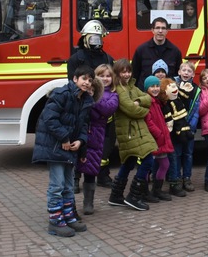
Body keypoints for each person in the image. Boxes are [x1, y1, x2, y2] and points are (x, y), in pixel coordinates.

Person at [32, 65, 94, 237]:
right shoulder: (62, 94)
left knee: (67, 185)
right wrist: (65, 139)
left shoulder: (85, 100)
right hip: (55, 147)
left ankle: (68, 217)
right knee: (56, 185)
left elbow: (83, 125)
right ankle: (55, 221)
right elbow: (49, 118)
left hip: (69, 149)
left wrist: (80, 143)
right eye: (84, 79)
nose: (87, 83)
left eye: (90, 80)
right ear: (75, 79)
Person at [67, 20, 116, 190]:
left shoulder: (108, 58)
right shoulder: (75, 59)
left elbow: (112, 82)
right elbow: (72, 83)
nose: (96, 41)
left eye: (99, 38)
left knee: (103, 144)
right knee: (80, 142)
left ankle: (103, 175)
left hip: (102, 108)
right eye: (93, 38)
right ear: (85, 38)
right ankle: (75, 178)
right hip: (82, 107)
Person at [109, 58, 158, 211]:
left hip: (135, 130)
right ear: (117, 73)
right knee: (148, 159)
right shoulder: (119, 89)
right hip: (130, 131)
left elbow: (148, 97)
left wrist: (138, 101)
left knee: (129, 162)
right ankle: (134, 196)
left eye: (128, 71)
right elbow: (131, 109)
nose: (127, 74)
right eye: (123, 72)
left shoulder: (131, 87)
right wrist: (143, 109)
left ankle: (116, 196)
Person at [76, 64, 119, 215]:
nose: (105, 78)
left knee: (90, 169)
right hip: (79, 133)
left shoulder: (113, 95)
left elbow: (107, 109)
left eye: (108, 76)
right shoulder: (83, 90)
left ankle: (88, 202)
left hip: (96, 135)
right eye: (101, 75)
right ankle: (71, 197)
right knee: (73, 167)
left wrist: (94, 96)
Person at [169, 61, 201, 193]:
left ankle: (186, 178)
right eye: (184, 70)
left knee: (188, 154)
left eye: (189, 71)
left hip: (189, 127)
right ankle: (175, 179)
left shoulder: (196, 89)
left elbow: (196, 110)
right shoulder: (173, 86)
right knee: (176, 154)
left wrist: (191, 126)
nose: (186, 73)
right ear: (179, 72)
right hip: (177, 127)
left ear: (193, 74)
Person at [143, 76, 175, 202]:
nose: (155, 89)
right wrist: (159, 134)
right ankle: (145, 191)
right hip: (153, 139)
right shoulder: (148, 101)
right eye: (152, 86)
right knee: (148, 165)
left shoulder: (156, 101)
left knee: (164, 163)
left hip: (159, 139)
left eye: (157, 86)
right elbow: (148, 121)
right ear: (147, 88)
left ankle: (157, 190)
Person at [132, 17, 183, 85]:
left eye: (163, 28)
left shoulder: (175, 51)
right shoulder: (141, 50)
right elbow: (134, 74)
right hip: (145, 93)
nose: (160, 31)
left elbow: (178, 75)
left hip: (167, 93)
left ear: (167, 31)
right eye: (157, 28)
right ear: (152, 30)